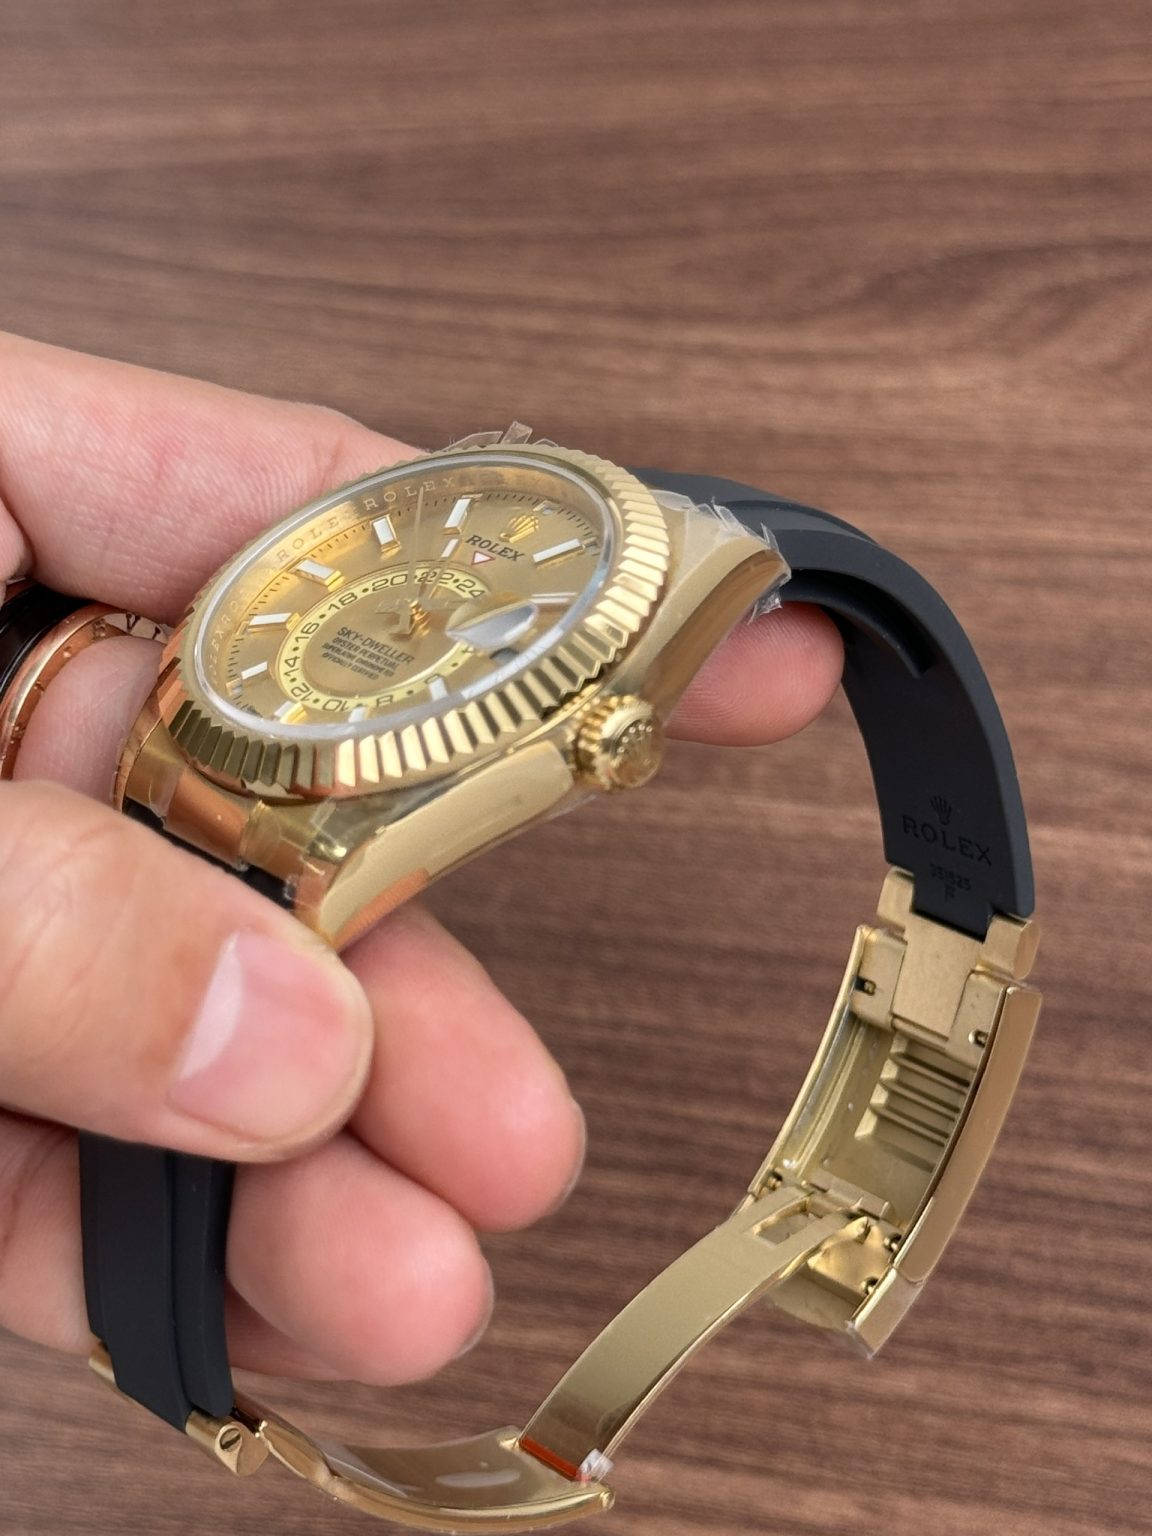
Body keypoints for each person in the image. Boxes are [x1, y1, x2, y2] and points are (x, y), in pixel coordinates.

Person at [0, 331, 843, 1388]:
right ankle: (158, 1348)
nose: (417, 620)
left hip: (271, 740)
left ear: (607, 734)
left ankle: (159, 1349)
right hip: (217, 712)